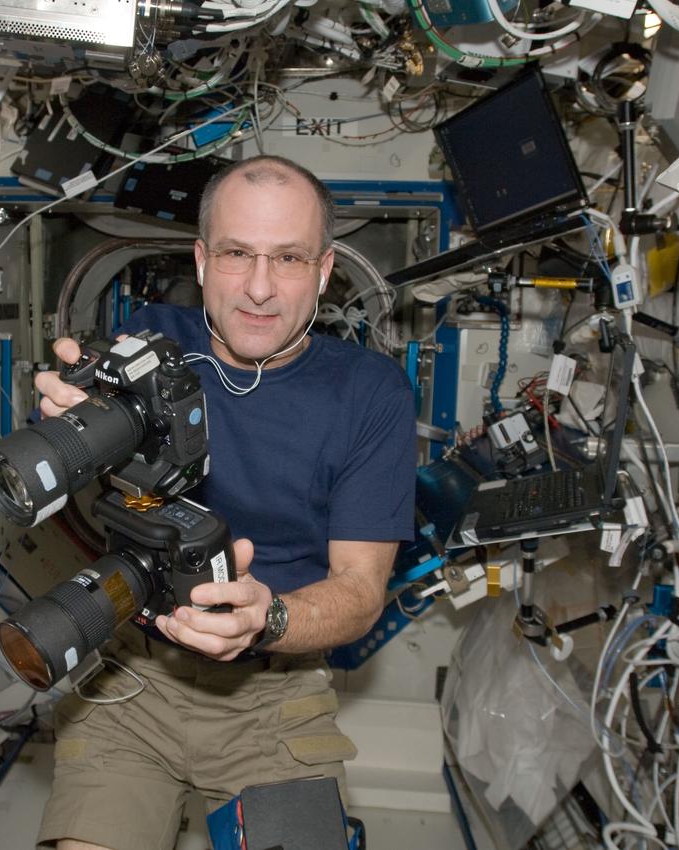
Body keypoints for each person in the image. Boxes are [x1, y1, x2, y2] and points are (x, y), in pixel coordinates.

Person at [32, 155, 416, 850]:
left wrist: (261, 618)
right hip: (132, 677)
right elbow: (80, 488)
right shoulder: (146, 343)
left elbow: (359, 593)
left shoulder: (369, 393)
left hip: (272, 692)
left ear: (325, 273)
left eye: (289, 259)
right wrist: (70, 424)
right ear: (203, 261)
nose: (261, 290)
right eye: (238, 254)